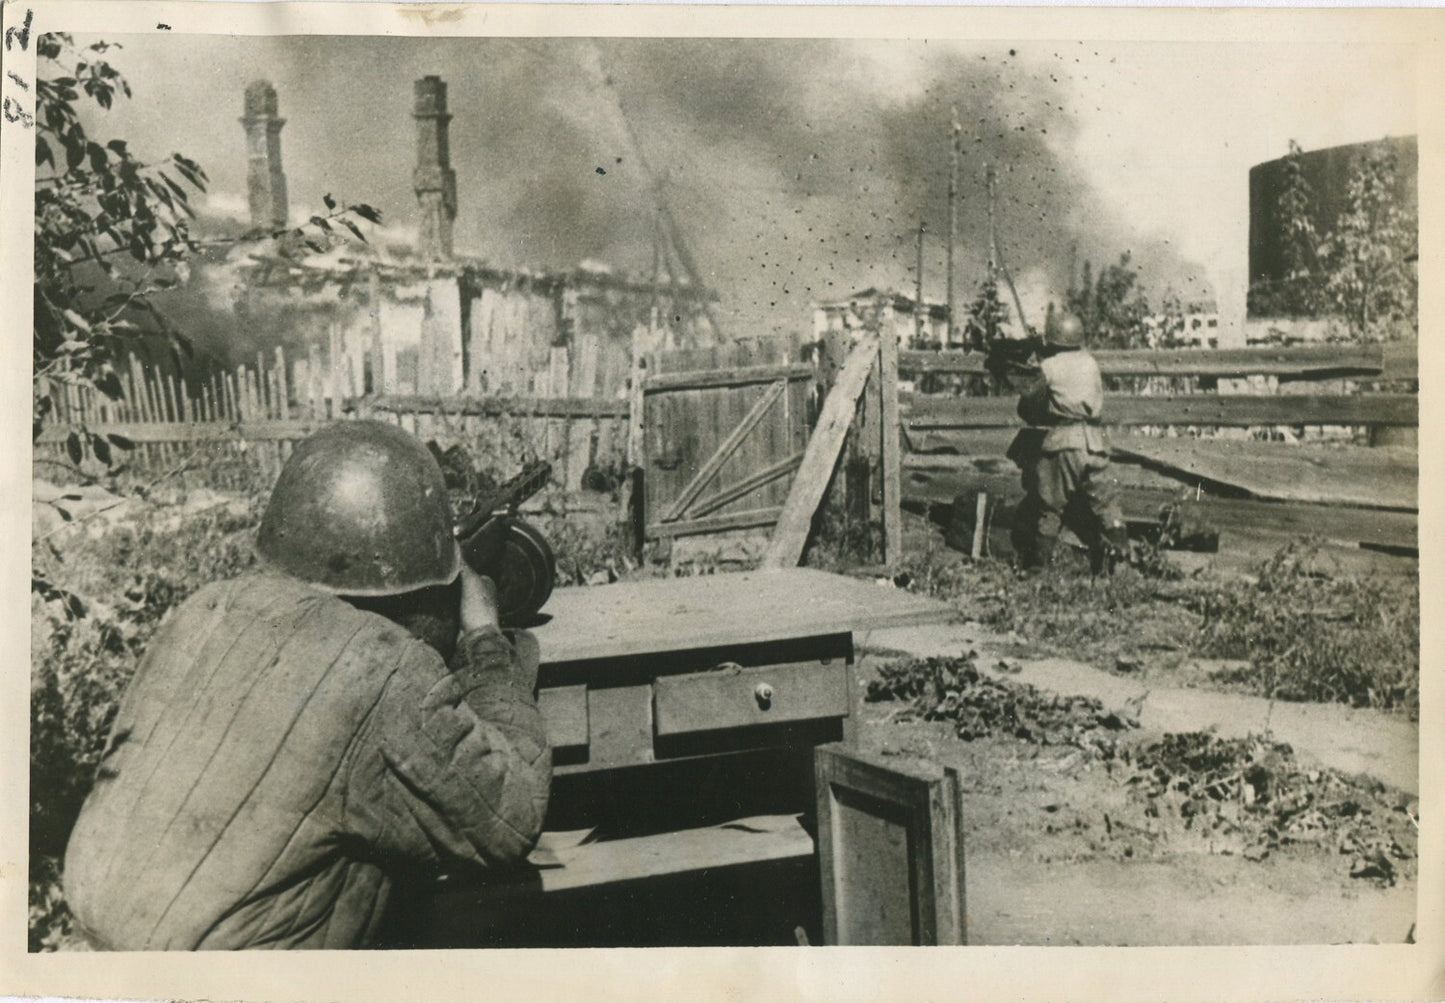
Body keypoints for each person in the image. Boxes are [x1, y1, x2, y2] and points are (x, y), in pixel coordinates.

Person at [63, 420, 552, 950]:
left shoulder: (204, 609)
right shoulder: (386, 670)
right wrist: (483, 638)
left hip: (93, 948)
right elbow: (511, 817)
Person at [1008, 312, 1129, 573]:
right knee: (1107, 503)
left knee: (1049, 505)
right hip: (1095, 441)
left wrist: (1034, 366)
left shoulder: (1049, 366)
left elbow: (1028, 406)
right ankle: (1122, 561)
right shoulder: (1090, 363)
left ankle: (1038, 569)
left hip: (1064, 440)